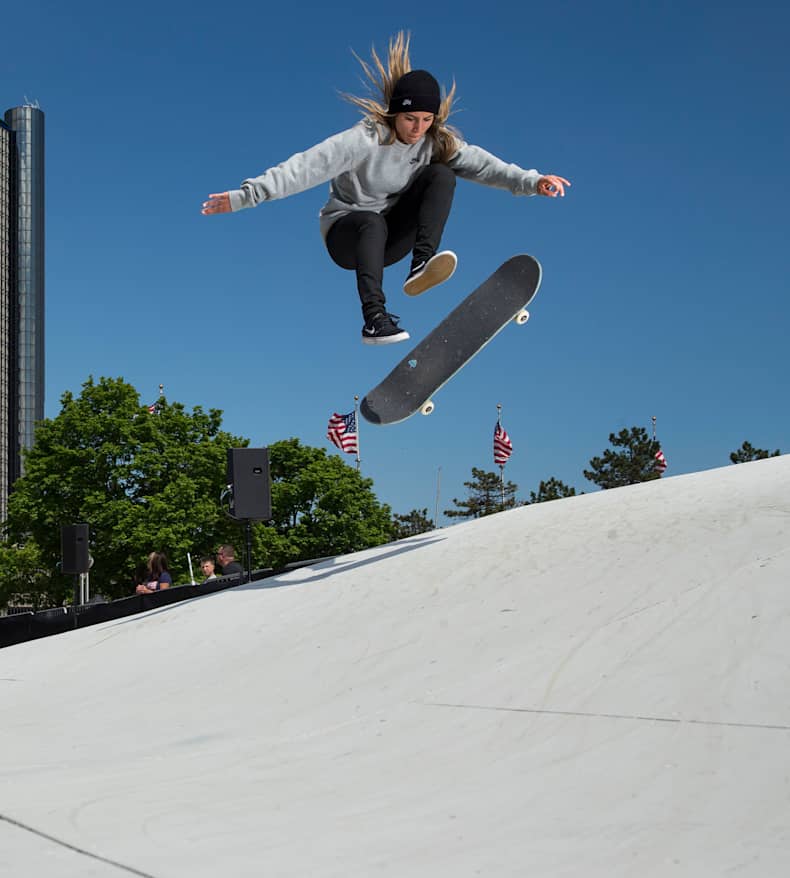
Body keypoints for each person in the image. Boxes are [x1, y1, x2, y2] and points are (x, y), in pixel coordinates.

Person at [202, 32, 570, 345]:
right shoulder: (363, 141)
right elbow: (304, 167)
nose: (417, 129)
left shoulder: (434, 142)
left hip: (390, 238)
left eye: (426, 120)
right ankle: (374, 318)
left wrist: (533, 181)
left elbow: (484, 164)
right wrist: (244, 197)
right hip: (347, 236)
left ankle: (421, 264)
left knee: (441, 174)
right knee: (370, 222)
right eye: (410, 119)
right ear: (395, 113)